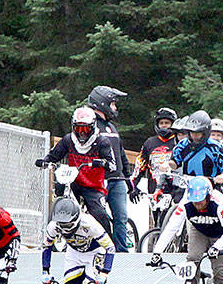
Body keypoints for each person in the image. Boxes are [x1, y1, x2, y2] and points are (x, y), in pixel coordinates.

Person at [36, 106, 122, 259]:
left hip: (93, 185)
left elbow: (113, 164)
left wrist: (102, 163)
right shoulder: (68, 140)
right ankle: (55, 237)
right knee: (60, 193)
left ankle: (108, 247)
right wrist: (45, 161)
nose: (82, 133)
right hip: (73, 181)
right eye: (78, 128)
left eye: (86, 129)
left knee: (99, 213)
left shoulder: (102, 141)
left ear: (93, 127)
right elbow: (54, 155)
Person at [40, 196, 117, 284]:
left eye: (67, 225)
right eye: (61, 225)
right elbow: (47, 246)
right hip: (74, 254)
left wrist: (105, 273)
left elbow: (110, 247)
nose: (64, 229)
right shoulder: (53, 226)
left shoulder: (89, 223)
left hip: (95, 252)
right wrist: (45, 271)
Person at [86, 86, 134, 251]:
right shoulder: (90, 126)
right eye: (112, 104)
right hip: (99, 180)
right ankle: (99, 250)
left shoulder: (112, 127)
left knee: (121, 218)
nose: (115, 108)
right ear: (102, 103)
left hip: (117, 180)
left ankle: (121, 252)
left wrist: (128, 179)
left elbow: (121, 154)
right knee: (98, 218)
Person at [130, 107, 181, 226]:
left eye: (167, 123)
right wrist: (132, 186)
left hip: (174, 190)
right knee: (157, 225)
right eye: (161, 123)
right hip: (155, 191)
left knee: (172, 224)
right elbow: (140, 166)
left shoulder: (179, 142)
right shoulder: (150, 143)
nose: (164, 126)